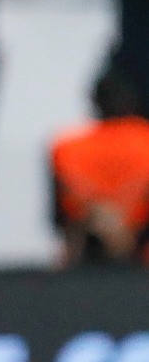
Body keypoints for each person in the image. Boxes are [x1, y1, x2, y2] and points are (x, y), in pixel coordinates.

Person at [50, 68, 149, 267]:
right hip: (138, 252)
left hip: (84, 254)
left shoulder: (66, 147)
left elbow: (58, 215)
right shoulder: (144, 139)